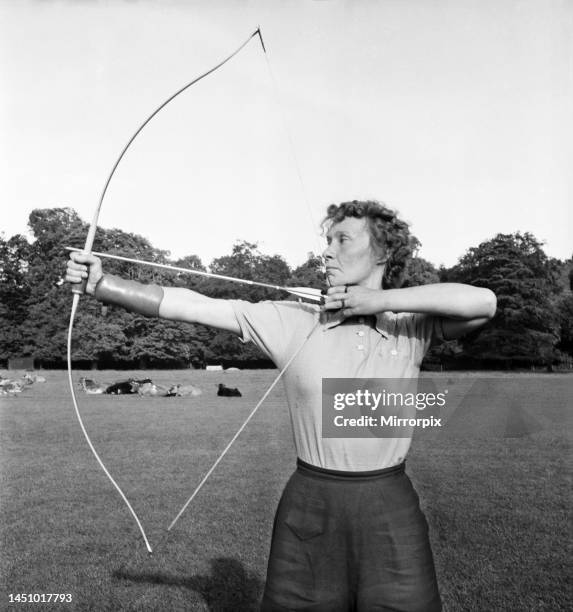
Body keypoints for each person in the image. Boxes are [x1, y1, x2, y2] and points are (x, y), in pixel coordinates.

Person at [66, 200, 496, 611]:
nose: (327, 251)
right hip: (312, 501)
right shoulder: (293, 319)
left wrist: (380, 302)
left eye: (342, 240)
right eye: (327, 240)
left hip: (389, 504)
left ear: (382, 251)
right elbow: (194, 305)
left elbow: (483, 303)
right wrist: (103, 284)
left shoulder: (411, 324)